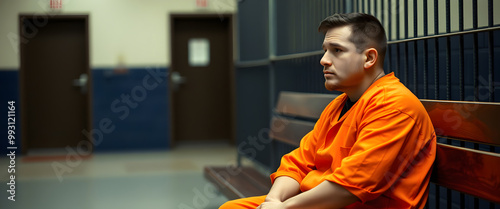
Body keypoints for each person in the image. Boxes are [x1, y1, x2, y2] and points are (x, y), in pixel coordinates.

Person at [220, 13, 436, 209]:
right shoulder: (340, 104)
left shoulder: (395, 105)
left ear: (369, 58)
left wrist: (285, 207)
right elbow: (298, 162)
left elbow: (351, 185)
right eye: (325, 50)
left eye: (337, 50)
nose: (323, 60)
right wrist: (273, 200)